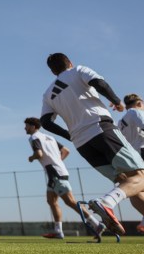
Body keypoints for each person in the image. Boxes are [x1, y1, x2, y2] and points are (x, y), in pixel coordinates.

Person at [40, 53, 144, 235]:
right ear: (69, 62)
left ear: (52, 71)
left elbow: (46, 121)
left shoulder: (48, 93)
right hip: (101, 129)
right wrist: (117, 102)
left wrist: (69, 135)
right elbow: (99, 83)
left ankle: (108, 204)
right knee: (140, 177)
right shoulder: (78, 70)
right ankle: (106, 203)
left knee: (126, 183)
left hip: (83, 145)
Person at [24, 117, 104, 240]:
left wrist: (31, 157)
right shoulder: (49, 137)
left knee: (70, 201)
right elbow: (66, 150)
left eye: (27, 126)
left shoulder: (34, 138)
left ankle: (96, 224)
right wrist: (58, 161)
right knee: (51, 201)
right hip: (56, 172)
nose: (25, 128)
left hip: (55, 173)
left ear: (33, 127)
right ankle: (58, 231)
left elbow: (39, 154)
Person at [120, 94, 144, 233]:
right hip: (141, 150)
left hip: (131, 156)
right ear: (140, 103)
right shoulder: (136, 112)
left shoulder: (121, 121)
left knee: (135, 190)